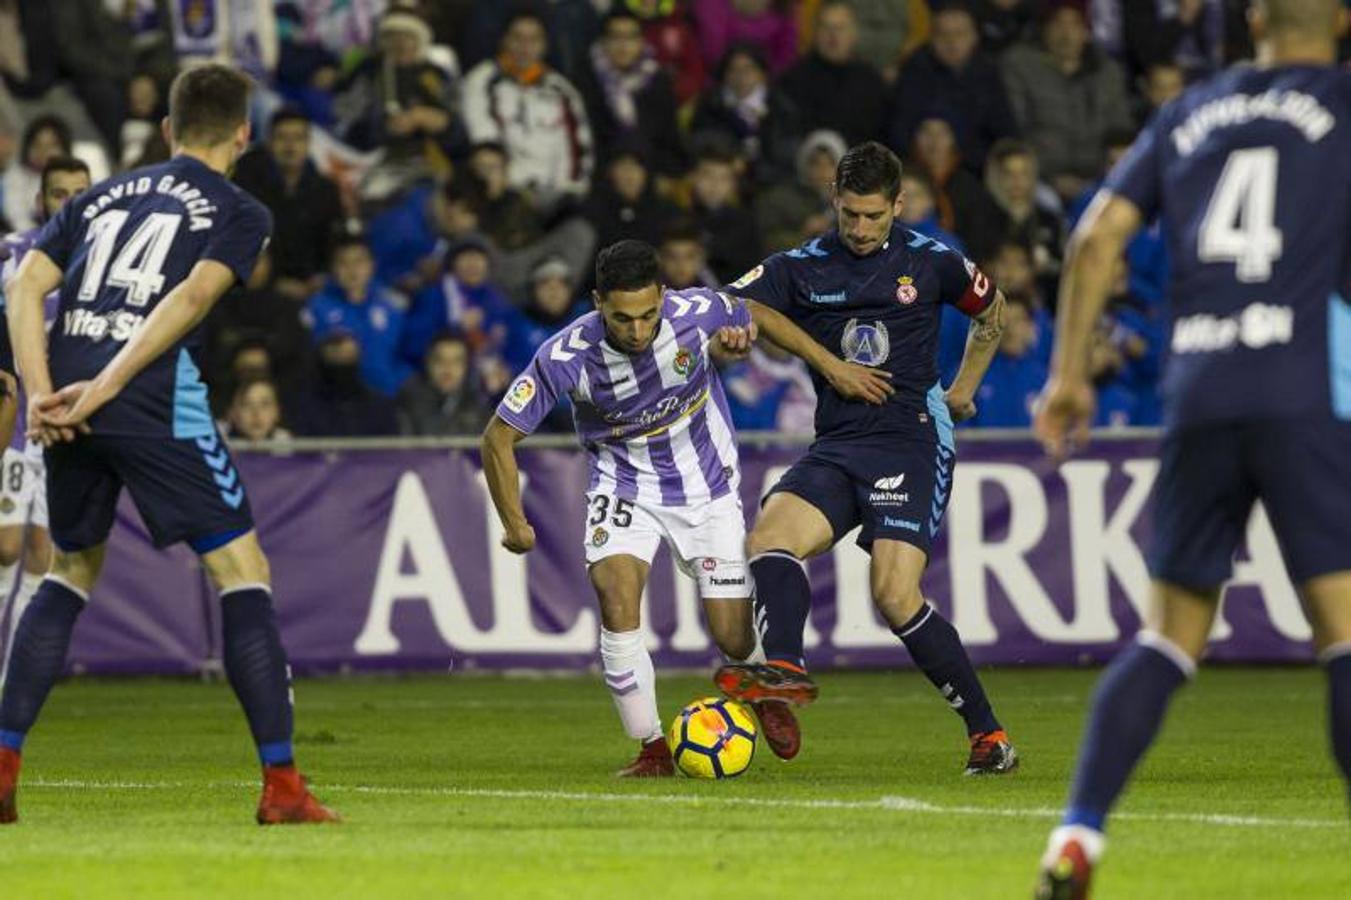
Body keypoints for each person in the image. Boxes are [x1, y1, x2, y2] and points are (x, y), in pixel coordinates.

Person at [1032, 3, 1349, 895]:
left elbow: (1094, 238)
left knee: (1169, 636)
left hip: (1200, 389)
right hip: (1303, 386)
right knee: (1343, 634)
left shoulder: (1186, 113)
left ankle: (1077, 836)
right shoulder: (1342, 105)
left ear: (1252, 19)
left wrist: (1066, 378)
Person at [0, 64, 337, 826]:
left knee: (71, 568)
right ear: (244, 134)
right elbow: (189, 298)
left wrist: (41, 394)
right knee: (242, 571)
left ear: (165, 131)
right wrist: (112, 385)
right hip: (146, 390)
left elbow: (23, 286)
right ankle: (283, 790)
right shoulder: (239, 209)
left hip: (65, 383)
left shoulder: (98, 195)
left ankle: (1, 769)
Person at [480, 239, 891, 776]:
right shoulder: (564, 356)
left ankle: (761, 687)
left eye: (649, 314)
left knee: (733, 636)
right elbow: (497, 437)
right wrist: (515, 523)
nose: (638, 329)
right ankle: (652, 749)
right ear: (597, 302)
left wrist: (831, 366)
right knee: (615, 595)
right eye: (623, 318)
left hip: (707, 490)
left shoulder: (693, 312)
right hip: (624, 486)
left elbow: (758, 313)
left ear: (664, 297)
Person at [714, 142, 1020, 775]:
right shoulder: (803, 266)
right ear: (834, 202)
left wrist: (963, 389)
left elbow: (993, 311)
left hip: (910, 440)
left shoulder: (932, 261)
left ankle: (988, 736)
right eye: (849, 214)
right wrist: (816, 361)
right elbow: (735, 304)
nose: (858, 229)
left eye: (872, 217)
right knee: (769, 537)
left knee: (893, 593)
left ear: (898, 206)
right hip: (837, 443)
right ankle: (787, 671)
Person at [0, 156, 91, 674]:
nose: (73, 203)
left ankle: (15, 679)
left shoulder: (104, 260)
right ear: (42, 201)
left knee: (42, 552)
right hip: (15, 419)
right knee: (7, 547)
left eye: (82, 191)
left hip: (64, 426)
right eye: (61, 193)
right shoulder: (14, 255)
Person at [232, 107, 345, 303]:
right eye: (282, 138)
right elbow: (238, 241)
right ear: (269, 142)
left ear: (309, 143)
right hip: (257, 288)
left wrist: (318, 278)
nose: (290, 146)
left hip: (311, 289)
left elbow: (332, 242)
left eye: (299, 138)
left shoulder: (326, 190)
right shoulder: (246, 182)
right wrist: (275, 282)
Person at [396, 331, 491, 436]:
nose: (448, 368)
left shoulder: (478, 407)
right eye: (440, 360)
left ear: (466, 367)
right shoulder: (408, 404)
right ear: (428, 364)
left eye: (456, 361)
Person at [225, 378, 291, 442]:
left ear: (276, 412)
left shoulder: (291, 447)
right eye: (246, 404)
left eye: (264, 404)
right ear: (232, 413)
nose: (256, 414)